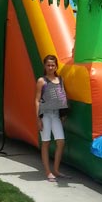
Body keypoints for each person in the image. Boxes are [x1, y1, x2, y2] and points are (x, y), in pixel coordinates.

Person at [35, 54, 69, 182]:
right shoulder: (41, 81)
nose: (50, 67)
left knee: (61, 142)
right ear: (45, 66)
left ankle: (56, 169)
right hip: (45, 115)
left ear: (56, 66)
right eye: (48, 65)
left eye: (53, 65)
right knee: (46, 142)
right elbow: (37, 100)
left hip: (55, 115)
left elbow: (63, 96)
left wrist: (64, 113)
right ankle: (48, 171)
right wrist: (38, 118)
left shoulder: (60, 80)